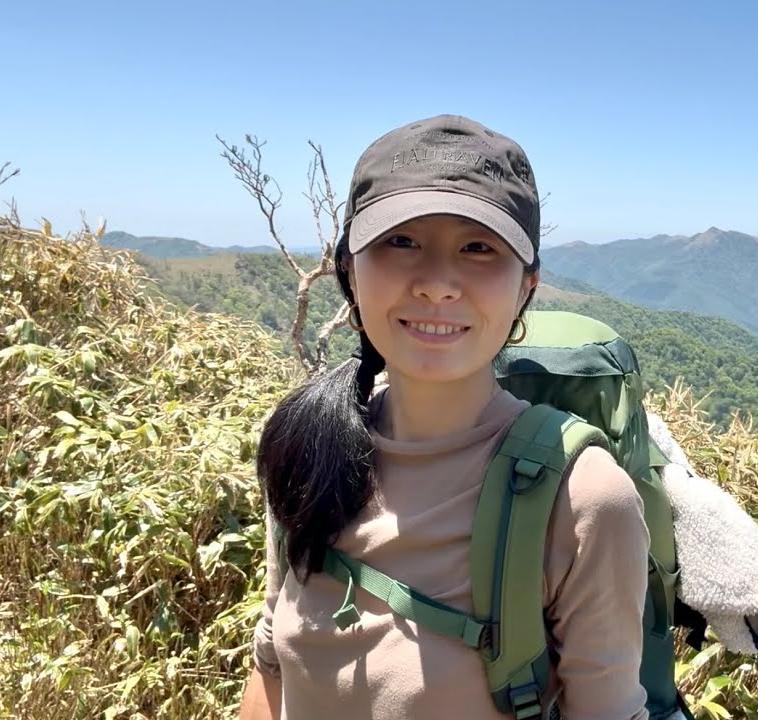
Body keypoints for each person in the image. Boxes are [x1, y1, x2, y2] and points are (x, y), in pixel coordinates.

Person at [237, 114, 652, 720]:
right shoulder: (308, 443)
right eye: (401, 241)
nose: (436, 285)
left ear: (526, 287)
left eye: (478, 247)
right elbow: (271, 665)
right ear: (350, 269)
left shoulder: (580, 499)